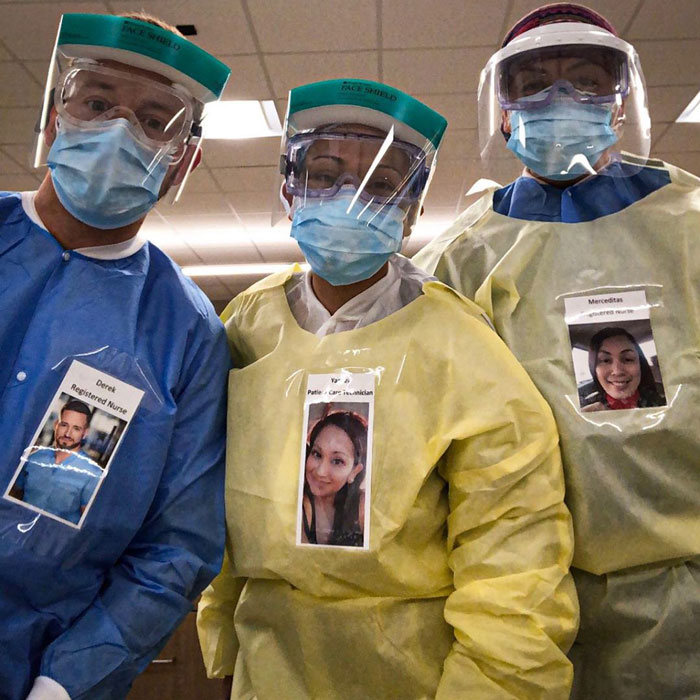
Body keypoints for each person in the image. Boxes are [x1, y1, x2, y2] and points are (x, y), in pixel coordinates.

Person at [197, 78, 578, 699]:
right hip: (268, 671)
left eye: (380, 183)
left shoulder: (463, 347)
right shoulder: (246, 327)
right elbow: (210, 506)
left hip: (416, 676)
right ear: (290, 186)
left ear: (414, 205)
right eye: (325, 172)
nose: (349, 197)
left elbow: (516, 565)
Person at [414, 4, 700, 698]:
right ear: (503, 109)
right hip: (521, 601)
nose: (560, 100)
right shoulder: (456, 259)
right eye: (533, 83)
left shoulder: (689, 227)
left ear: (619, 97)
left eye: (584, 80)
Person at [0, 13, 232, 700]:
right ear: (53, 118)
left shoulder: (185, 333)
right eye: (98, 102)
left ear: (183, 160)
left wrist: (66, 683)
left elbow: (176, 547)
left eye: (155, 120)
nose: (118, 130)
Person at [10, 399, 102, 525]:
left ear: (84, 433)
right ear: (56, 425)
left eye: (76, 428)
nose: (68, 434)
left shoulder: (93, 474)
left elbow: (86, 524)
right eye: (64, 425)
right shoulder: (33, 458)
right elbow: (13, 496)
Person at [302, 411, 367, 546]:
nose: (320, 472)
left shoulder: (363, 508)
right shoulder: (299, 505)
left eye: (337, 461)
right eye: (317, 454)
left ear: (354, 472)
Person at [580, 327, 665, 412]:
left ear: (640, 364)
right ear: (594, 369)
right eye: (605, 360)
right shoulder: (582, 412)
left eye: (628, 359)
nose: (617, 371)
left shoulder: (665, 402)